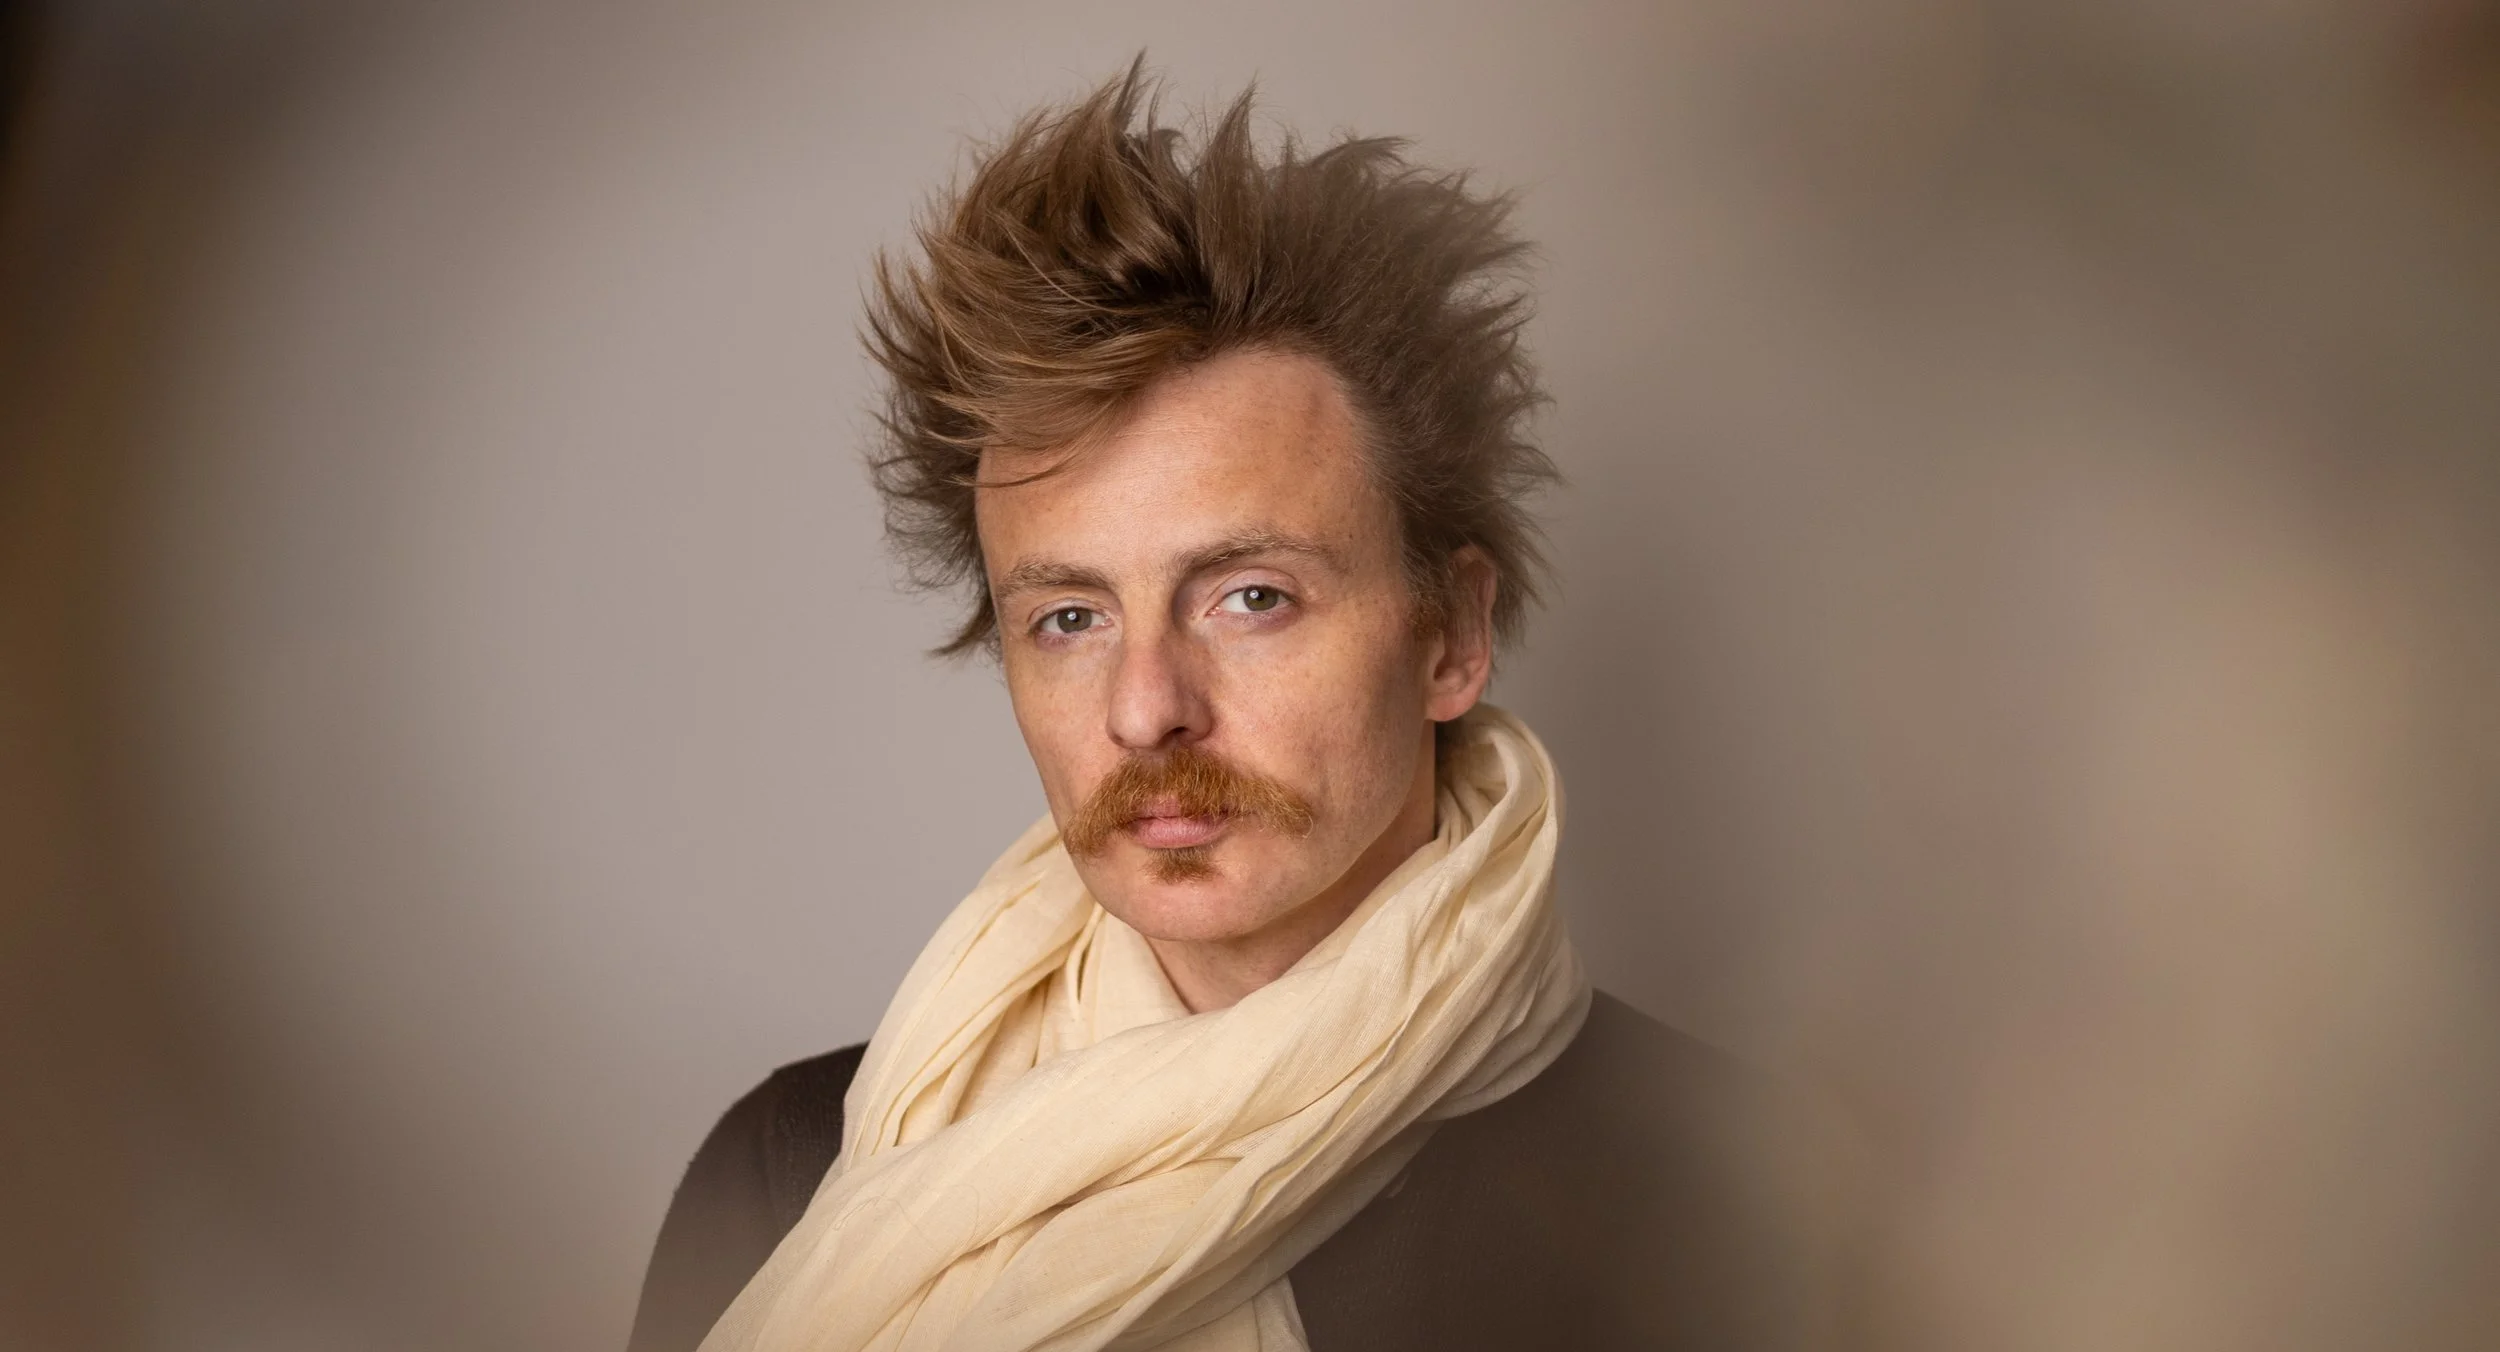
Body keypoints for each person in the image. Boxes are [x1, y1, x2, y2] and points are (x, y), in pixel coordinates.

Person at [630, 64, 1856, 1352]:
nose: (1145, 709)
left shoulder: (1732, 1208)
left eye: (1250, 597)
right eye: (1070, 619)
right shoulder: (793, 1179)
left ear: (1451, 634)